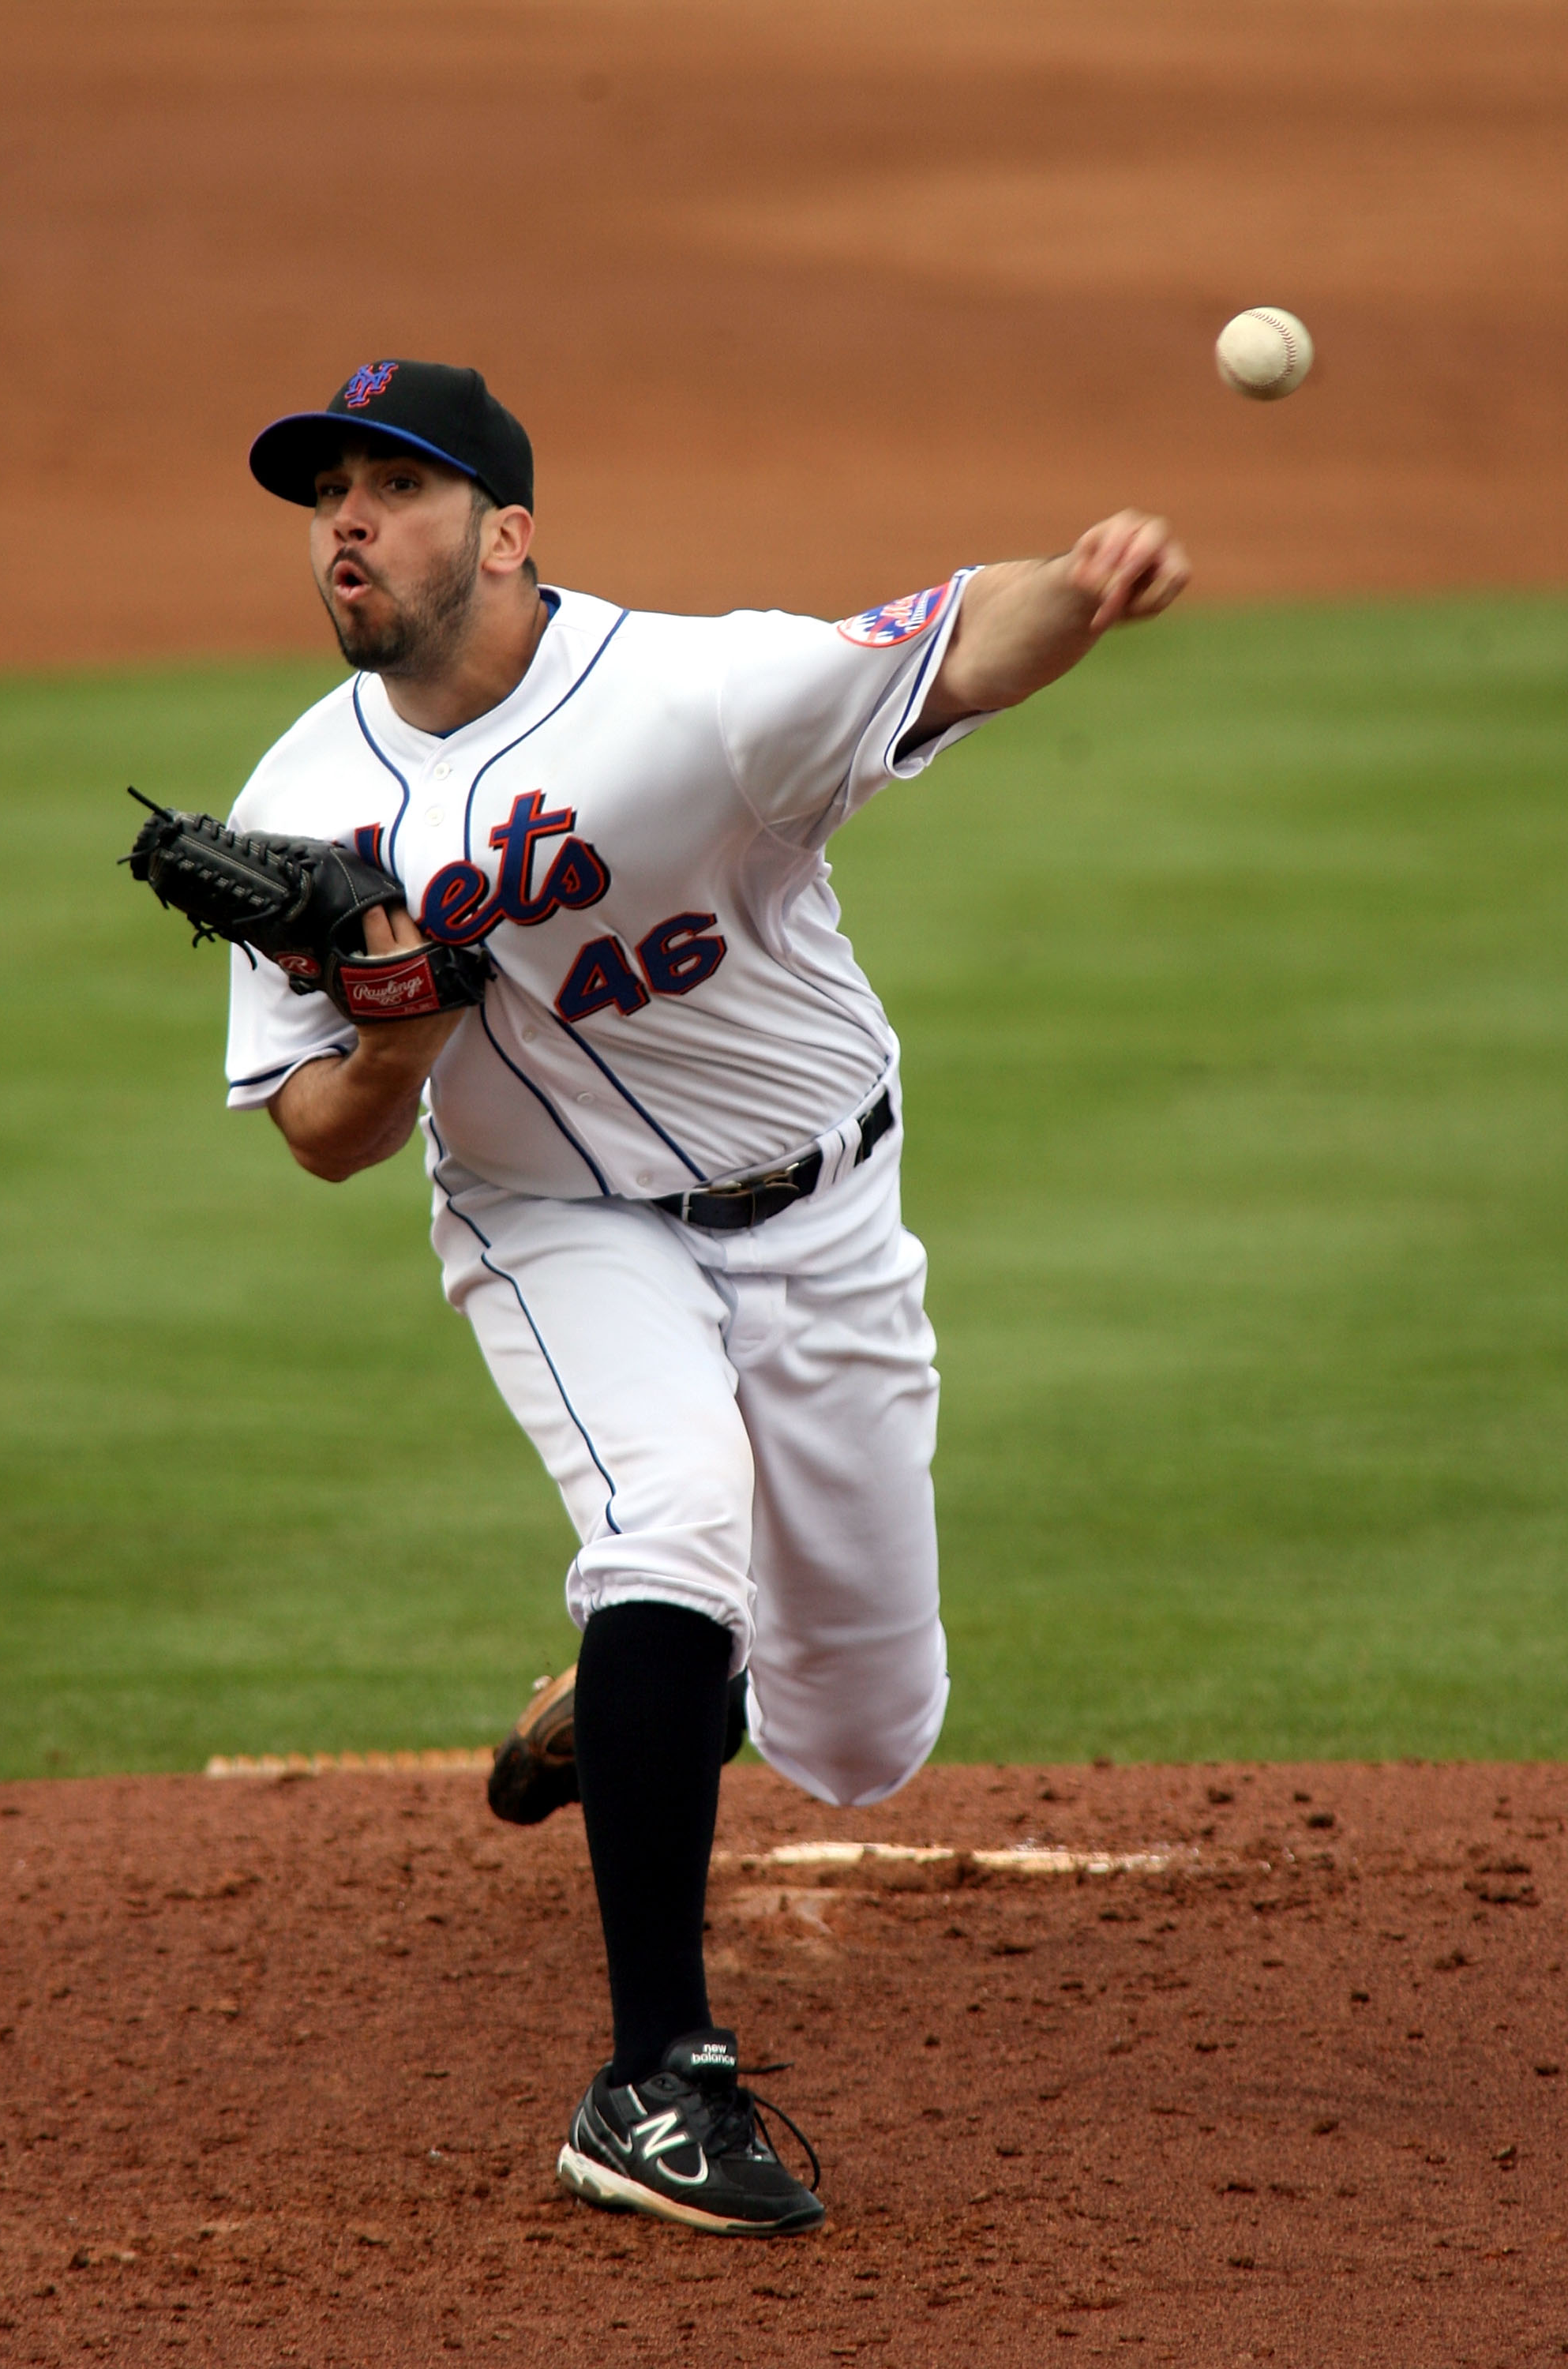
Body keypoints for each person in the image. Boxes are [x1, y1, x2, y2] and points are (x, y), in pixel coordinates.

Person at [227, 359, 1189, 2236]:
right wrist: (404, 1029)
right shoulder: (303, 804)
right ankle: (650, 2077)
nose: (347, 520)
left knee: (860, 1740)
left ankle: (629, 1698)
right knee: (670, 1527)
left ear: (507, 532)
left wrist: (1087, 581)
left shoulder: (696, 693)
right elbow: (327, 1139)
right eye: (325, 491)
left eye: (395, 486)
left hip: (825, 1215)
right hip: (556, 1222)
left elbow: (954, 639)